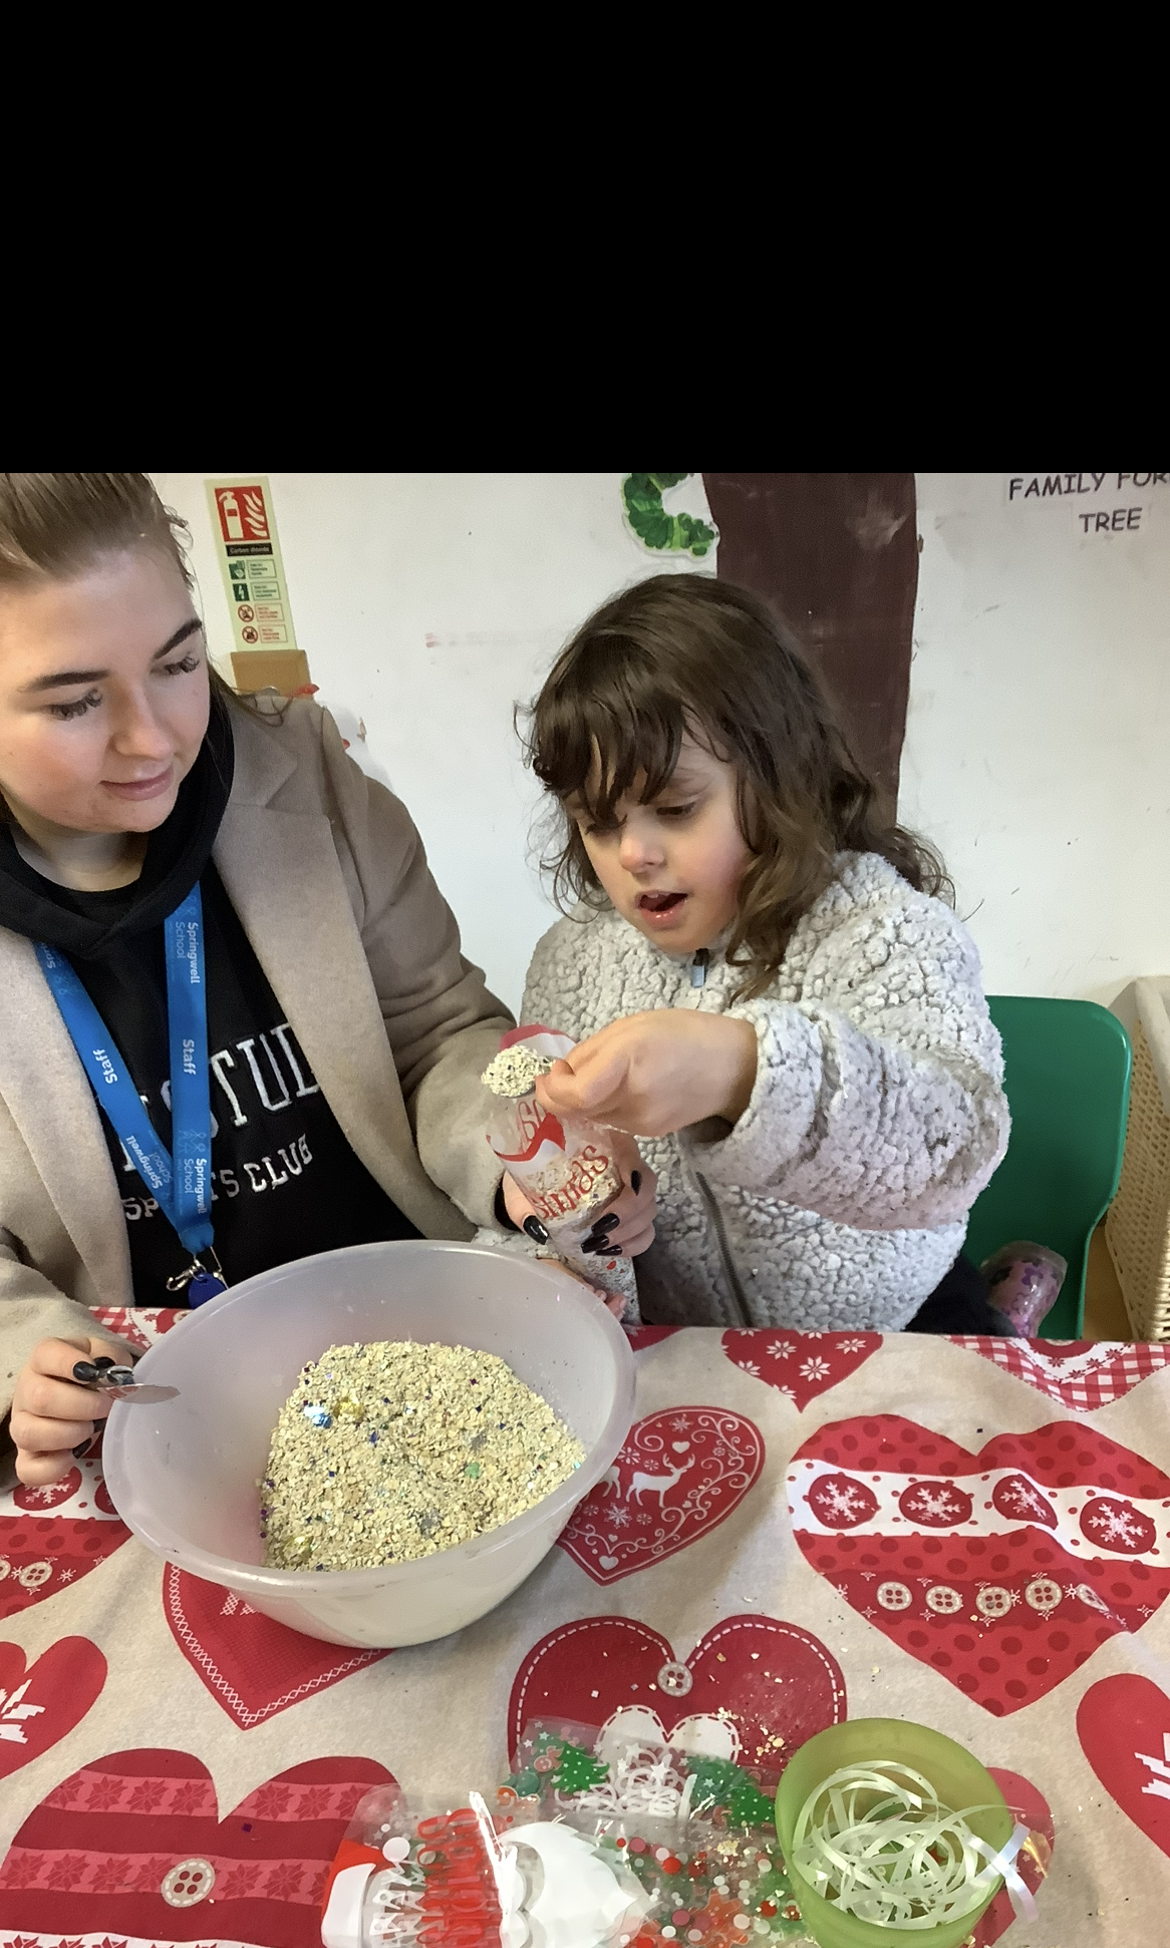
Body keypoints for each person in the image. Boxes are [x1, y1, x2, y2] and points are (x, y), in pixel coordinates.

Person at [0, 473, 647, 1491]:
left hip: (427, 1343)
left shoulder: (305, 779)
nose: (155, 737)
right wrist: (25, 1353)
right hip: (157, 1416)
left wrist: (516, 1157)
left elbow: (438, 1033)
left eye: (179, 663)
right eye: (76, 701)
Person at [489, 571, 1013, 1334]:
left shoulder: (881, 929)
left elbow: (955, 1151)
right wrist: (556, 1233)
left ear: (777, 779)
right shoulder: (570, 961)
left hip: (892, 1322)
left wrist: (744, 1072)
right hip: (691, 1341)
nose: (634, 853)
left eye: (675, 808)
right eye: (599, 822)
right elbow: (552, 1160)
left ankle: (1009, 1292)